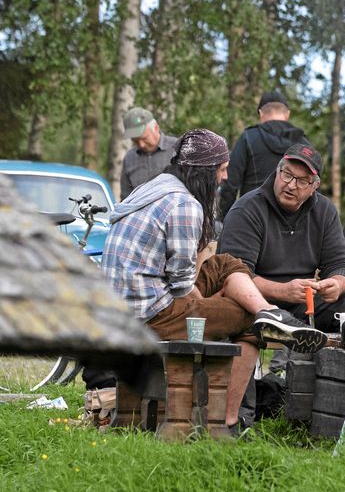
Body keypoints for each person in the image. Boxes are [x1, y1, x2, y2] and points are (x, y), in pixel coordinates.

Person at [102, 129, 326, 433]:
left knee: (225, 264)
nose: (225, 176)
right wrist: (214, 306)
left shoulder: (153, 188)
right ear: (205, 171)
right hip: (149, 314)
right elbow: (182, 286)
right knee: (246, 320)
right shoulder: (184, 205)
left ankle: (269, 313)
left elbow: (177, 271)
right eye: (221, 169)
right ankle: (224, 422)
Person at [218, 143, 345, 332]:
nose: (291, 185)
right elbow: (234, 275)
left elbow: (342, 264)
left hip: (304, 304)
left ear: (315, 186)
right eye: (287, 174)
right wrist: (282, 291)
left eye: (302, 180)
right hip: (255, 302)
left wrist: (337, 284)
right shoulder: (247, 210)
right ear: (277, 170)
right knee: (234, 306)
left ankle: (333, 361)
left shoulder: (324, 211)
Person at [218, 90, 313, 219]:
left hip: (253, 219)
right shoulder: (304, 145)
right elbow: (313, 190)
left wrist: (226, 219)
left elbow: (230, 184)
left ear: (261, 114)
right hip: (293, 225)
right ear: (287, 114)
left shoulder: (249, 138)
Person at [120, 107, 178, 199]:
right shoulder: (129, 158)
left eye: (144, 138)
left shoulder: (178, 149)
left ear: (155, 127)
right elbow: (125, 198)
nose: (141, 144)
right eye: (135, 141)